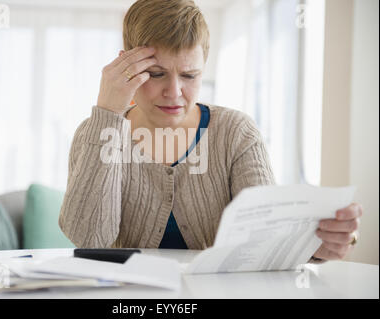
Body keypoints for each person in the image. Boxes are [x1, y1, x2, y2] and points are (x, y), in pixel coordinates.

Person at [58, 0, 362, 263]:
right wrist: (108, 113)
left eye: (190, 75)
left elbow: (267, 239)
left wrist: (315, 246)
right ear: (129, 67)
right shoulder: (96, 131)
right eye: (157, 74)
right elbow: (89, 239)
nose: (174, 92)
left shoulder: (236, 133)